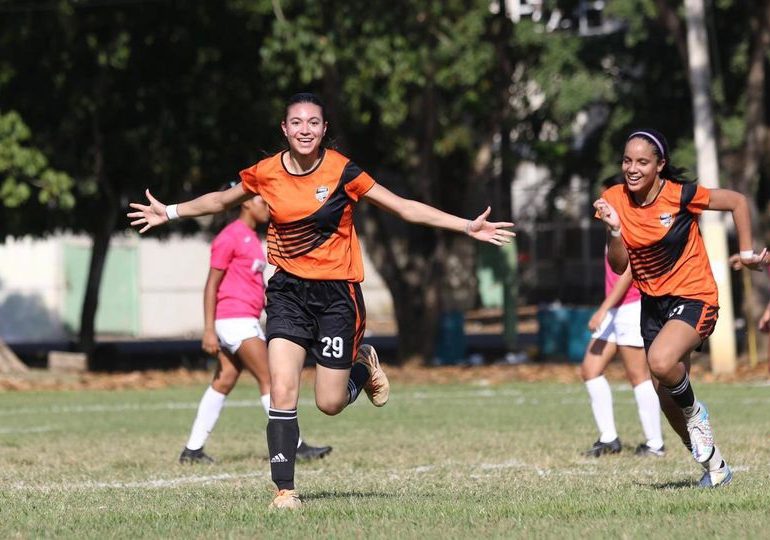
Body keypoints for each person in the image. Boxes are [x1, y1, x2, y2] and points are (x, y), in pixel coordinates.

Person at [128, 92, 515, 509]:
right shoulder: (266, 172)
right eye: (296, 122)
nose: (305, 130)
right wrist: (168, 212)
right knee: (282, 388)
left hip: (336, 296)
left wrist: (465, 226)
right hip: (287, 293)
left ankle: (362, 369)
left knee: (329, 402)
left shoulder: (343, 170)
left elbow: (402, 207)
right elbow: (221, 200)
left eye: (313, 122)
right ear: (284, 128)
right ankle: (285, 491)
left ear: (324, 129)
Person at [593, 128, 770, 488]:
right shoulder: (613, 198)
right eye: (627, 160)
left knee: (660, 363)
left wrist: (749, 251)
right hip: (653, 305)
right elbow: (617, 265)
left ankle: (696, 413)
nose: (633, 168)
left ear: (660, 165)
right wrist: (614, 231)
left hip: (695, 296)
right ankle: (716, 468)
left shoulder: (681, 195)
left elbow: (737, 201)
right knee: (665, 397)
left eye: (642, 161)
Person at [179, 191, 332, 465]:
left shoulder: (252, 239)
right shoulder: (229, 236)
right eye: (263, 201)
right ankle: (294, 445)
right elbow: (211, 284)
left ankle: (192, 450)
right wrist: (208, 329)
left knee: (224, 380)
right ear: (246, 202)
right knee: (271, 380)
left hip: (244, 318)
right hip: (234, 319)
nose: (268, 207)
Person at [581, 251, 664, 458]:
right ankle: (609, 438)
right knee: (590, 370)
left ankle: (655, 444)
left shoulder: (627, 223)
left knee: (638, 376)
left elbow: (628, 273)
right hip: (614, 307)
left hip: (631, 306)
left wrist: (602, 309)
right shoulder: (610, 226)